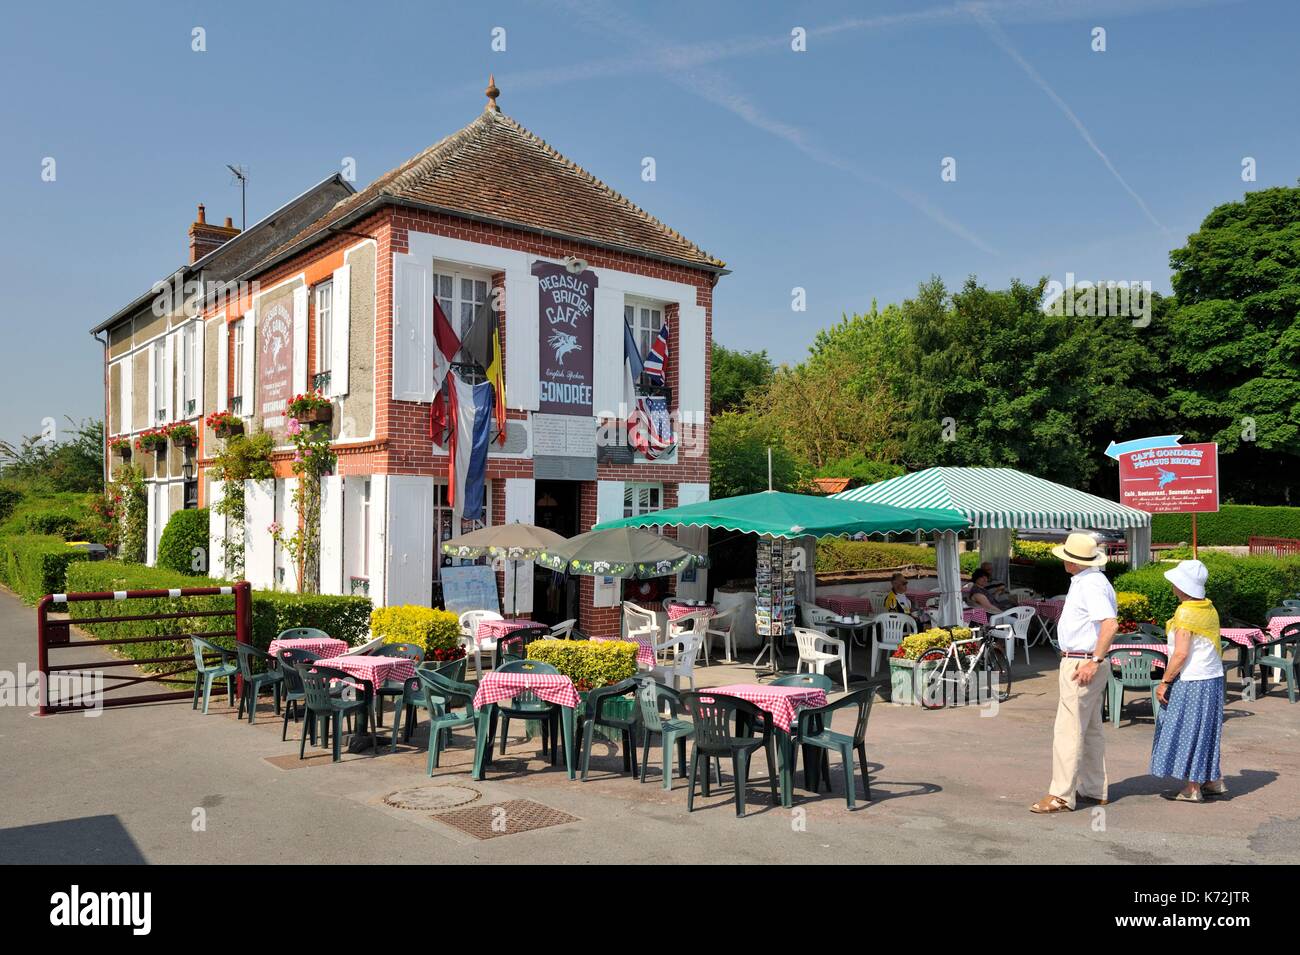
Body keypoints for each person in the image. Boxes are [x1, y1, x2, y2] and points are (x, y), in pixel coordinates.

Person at [1030, 533, 1118, 813]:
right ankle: (1093, 788)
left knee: (1068, 730)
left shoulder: (1089, 584)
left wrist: (1094, 660)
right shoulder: (1092, 581)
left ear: (1073, 561)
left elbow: (1109, 624)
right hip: (1086, 660)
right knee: (1090, 728)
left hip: (1082, 661)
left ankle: (1061, 794)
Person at [1149, 560, 1227, 802]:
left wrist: (1165, 681)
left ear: (1182, 585)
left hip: (1192, 679)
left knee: (1187, 730)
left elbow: (1181, 653)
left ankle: (1193, 788)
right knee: (1207, 730)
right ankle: (1212, 780)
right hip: (1212, 678)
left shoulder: (1185, 612)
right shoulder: (1208, 608)